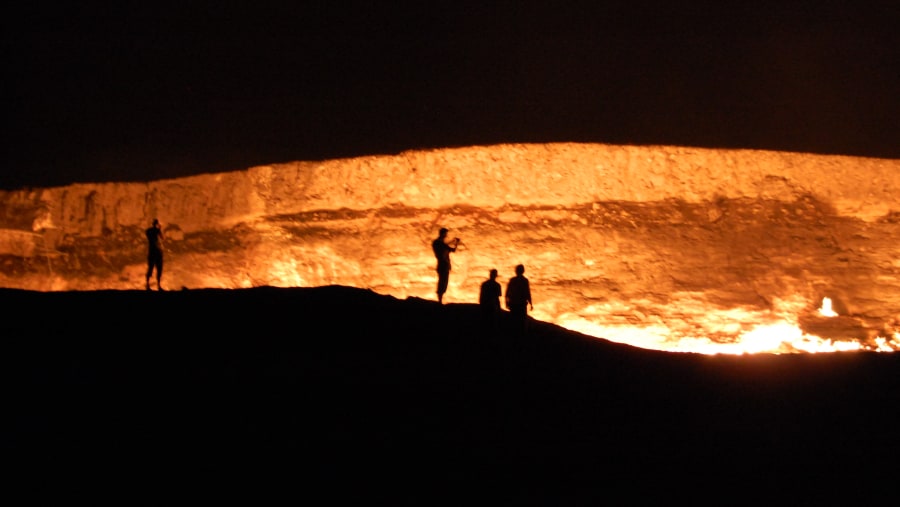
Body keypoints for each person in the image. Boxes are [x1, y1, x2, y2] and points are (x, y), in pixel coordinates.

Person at [431, 227, 460, 304]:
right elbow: (451, 249)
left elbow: (447, 247)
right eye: (445, 234)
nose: (446, 236)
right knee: (442, 283)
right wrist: (455, 242)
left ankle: (440, 300)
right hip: (443, 265)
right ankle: (439, 300)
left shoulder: (437, 243)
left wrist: (453, 242)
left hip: (443, 265)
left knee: (443, 282)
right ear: (443, 234)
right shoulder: (439, 243)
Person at [505, 264, 533, 334]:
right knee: (521, 322)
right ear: (523, 271)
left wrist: (507, 302)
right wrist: (531, 303)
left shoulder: (513, 280)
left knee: (514, 322)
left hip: (515, 304)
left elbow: (507, 293)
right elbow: (527, 292)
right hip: (520, 305)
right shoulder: (524, 280)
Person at [145, 218, 165, 290]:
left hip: (152, 252)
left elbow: (149, 235)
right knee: (159, 269)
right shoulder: (156, 231)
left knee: (150, 268)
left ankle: (148, 285)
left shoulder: (148, 231)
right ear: (156, 224)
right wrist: (159, 229)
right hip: (157, 252)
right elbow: (162, 238)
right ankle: (158, 286)